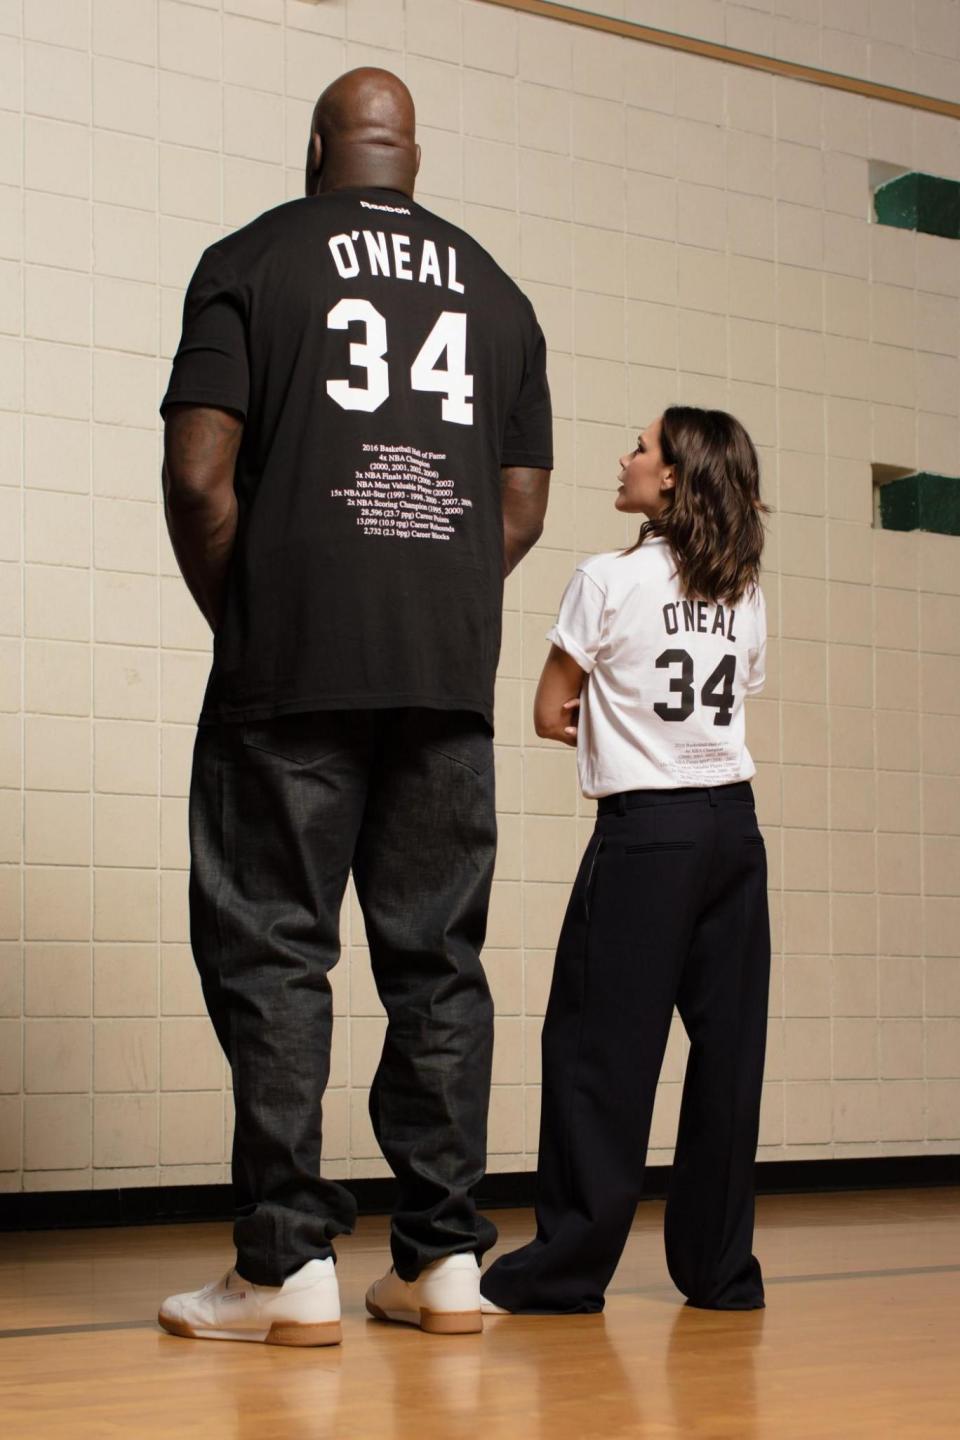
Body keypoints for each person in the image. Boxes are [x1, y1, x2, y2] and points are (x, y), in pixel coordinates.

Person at [157, 69, 552, 1347]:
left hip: (293, 665)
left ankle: (287, 1271)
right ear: (415, 160)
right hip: (443, 670)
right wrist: (425, 596)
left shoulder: (250, 259)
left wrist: (253, 613)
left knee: (276, 949)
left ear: (317, 147)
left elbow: (198, 475)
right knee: (439, 963)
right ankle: (443, 1261)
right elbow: (524, 503)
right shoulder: (497, 290)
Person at [480, 407, 770, 1316]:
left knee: (596, 1053)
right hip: (735, 830)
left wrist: (610, 721)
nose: (626, 457)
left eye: (641, 448)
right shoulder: (744, 588)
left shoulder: (605, 578)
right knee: (728, 1059)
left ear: (677, 475)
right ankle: (721, 1275)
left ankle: (566, 1270)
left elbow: (547, 709)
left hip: (650, 836)